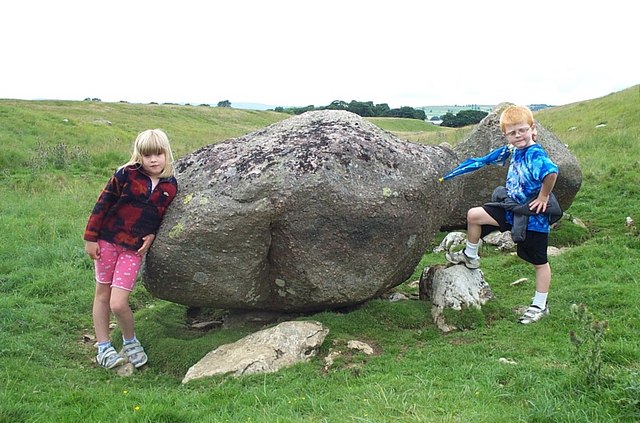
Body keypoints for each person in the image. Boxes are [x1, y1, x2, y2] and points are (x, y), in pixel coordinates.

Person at [445, 105, 560, 324]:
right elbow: (499, 154)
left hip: (531, 215)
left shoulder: (535, 153)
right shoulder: (514, 149)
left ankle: (539, 305)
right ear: (505, 135)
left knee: (539, 262)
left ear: (532, 129)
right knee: (474, 215)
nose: (518, 136)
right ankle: (470, 255)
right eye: (512, 132)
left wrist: (544, 197)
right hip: (510, 208)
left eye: (522, 130)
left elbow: (551, 171)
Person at [84, 129, 178, 368]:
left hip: (133, 250)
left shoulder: (170, 186)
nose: (153, 160)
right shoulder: (126, 175)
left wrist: (153, 233)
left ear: (167, 154)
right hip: (106, 242)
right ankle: (104, 348)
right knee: (102, 294)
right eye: (148, 155)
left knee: (118, 302)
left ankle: (130, 341)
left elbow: (160, 216)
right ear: (139, 156)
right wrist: (90, 238)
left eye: (158, 154)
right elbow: (102, 204)